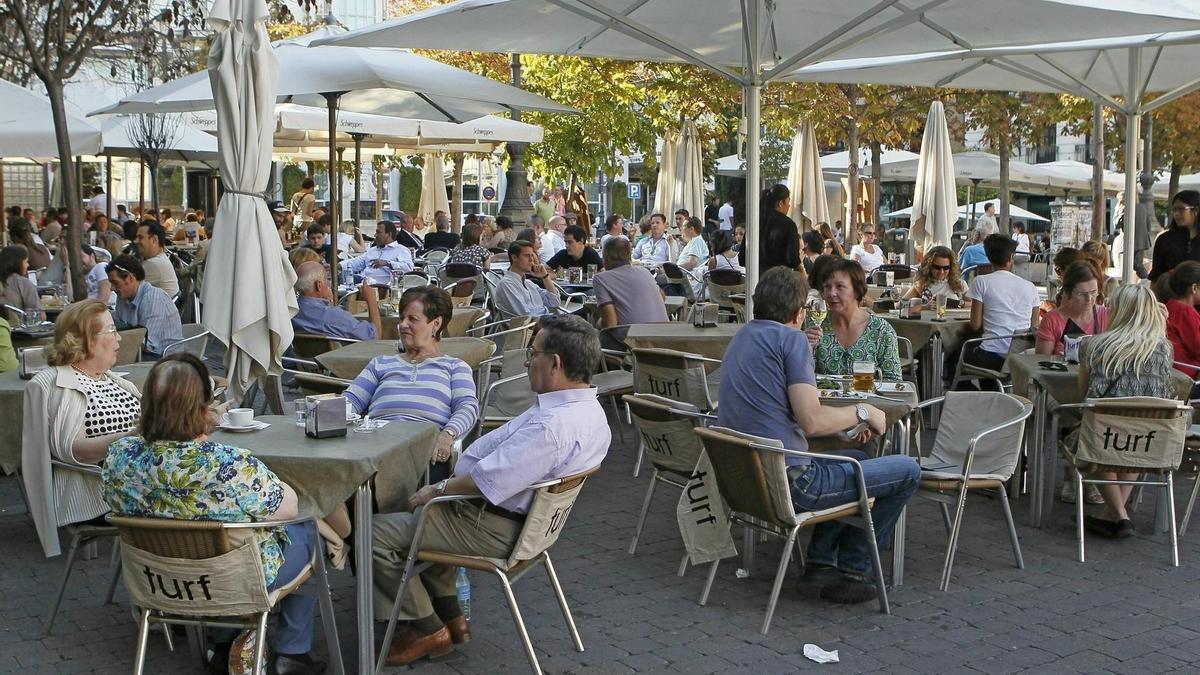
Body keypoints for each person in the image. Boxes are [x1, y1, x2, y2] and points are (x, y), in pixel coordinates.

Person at [372, 314, 609, 666]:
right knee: (423, 522)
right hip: (527, 526)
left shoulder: (553, 427)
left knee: (371, 535)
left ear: (555, 363)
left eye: (533, 353)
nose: (527, 361)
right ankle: (453, 619)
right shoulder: (591, 411)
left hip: (492, 526)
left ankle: (426, 627)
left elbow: (486, 481)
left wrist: (436, 490)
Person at [101, 354, 326, 675]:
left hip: (158, 580)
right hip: (232, 582)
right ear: (203, 408)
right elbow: (288, 506)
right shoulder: (229, 464)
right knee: (305, 527)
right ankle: (292, 652)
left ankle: (224, 643)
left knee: (215, 538)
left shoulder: (120, 457)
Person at [718, 267, 918, 604]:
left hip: (747, 482)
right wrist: (863, 411)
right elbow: (811, 421)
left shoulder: (743, 335)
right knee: (908, 470)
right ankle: (856, 566)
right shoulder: (792, 339)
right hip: (792, 485)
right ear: (798, 312)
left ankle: (821, 564)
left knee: (855, 459)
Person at [22, 300, 141, 558]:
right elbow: (73, 451)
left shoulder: (113, 379)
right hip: (101, 494)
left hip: (137, 482)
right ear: (86, 340)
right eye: (111, 330)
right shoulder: (56, 384)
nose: (119, 337)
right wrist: (131, 436)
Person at [1074, 284, 1176, 539]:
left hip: (1101, 437)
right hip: (1148, 440)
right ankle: (1116, 513)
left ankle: (1118, 515)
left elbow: (1083, 396)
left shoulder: (1094, 345)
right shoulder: (1163, 349)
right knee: (1135, 432)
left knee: (1094, 434)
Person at [344, 286, 478, 473]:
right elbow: (351, 400)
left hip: (423, 450)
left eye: (412, 319)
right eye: (401, 318)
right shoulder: (380, 363)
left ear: (436, 324)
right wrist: (327, 413)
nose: (402, 325)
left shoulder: (454, 367)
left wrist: (448, 434)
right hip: (376, 446)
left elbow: (467, 407)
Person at [808, 259, 902, 381]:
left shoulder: (881, 331)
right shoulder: (815, 326)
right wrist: (804, 347)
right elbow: (801, 378)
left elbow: (894, 382)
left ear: (857, 291)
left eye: (839, 286)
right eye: (827, 287)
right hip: (823, 399)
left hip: (869, 399)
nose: (831, 293)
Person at [963, 234, 1040, 378]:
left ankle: (975, 393)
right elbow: (1035, 326)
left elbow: (975, 325)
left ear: (988, 256)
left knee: (956, 352)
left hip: (991, 356)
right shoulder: (1030, 287)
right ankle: (994, 391)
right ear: (1011, 258)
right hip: (1019, 359)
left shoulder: (982, 282)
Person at [107, 255, 183, 359]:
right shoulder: (123, 296)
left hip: (165, 358)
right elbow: (119, 324)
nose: (112, 288)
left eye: (115, 282)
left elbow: (147, 345)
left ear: (130, 278)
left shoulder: (153, 298)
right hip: (142, 352)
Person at [292, 261, 380, 341]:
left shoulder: (290, 311)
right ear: (319, 285)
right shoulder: (334, 316)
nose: (328, 284)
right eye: (326, 280)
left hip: (298, 358)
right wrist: (371, 300)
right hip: (341, 357)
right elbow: (374, 336)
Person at [1035, 261, 1107, 356]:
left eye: (1093, 292)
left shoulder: (1106, 316)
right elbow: (1041, 362)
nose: (1089, 299)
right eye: (1082, 294)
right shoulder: (1052, 320)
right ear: (1068, 292)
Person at [594, 238, 668, 330]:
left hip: (633, 339)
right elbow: (662, 297)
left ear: (606, 258)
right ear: (629, 256)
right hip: (664, 335)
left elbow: (610, 323)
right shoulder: (644, 271)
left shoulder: (601, 279)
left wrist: (598, 323)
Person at [1155, 260, 1200, 381]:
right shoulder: (1186, 312)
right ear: (1194, 288)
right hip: (1187, 378)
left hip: (1173, 372)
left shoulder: (1171, 305)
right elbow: (1197, 348)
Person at [495, 240, 562, 317]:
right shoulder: (507, 284)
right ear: (514, 258)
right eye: (527, 256)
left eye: (532, 255)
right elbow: (525, 317)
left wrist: (545, 277)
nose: (531, 260)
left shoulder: (528, 283)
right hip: (535, 326)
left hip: (546, 321)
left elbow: (554, 303)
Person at [1150, 189, 1200, 281]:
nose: (1176, 214)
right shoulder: (1164, 240)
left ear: (1195, 210)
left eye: (1181, 209)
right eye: (1174, 209)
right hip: (1170, 293)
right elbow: (1156, 276)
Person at [343, 221, 415, 283]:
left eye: (378, 232)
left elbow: (408, 269)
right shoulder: (373, 250)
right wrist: (338, 266)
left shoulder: (401, 250)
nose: (375, 235)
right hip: (362, 281)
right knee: (340, 276)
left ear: (389, 234)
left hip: (381, 286)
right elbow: (357, 262)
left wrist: (387, 263)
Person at [759, 184, 801, 272]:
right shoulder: (788, 225)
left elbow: (742, 258)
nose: (789, 206)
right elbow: (792, 260)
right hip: (779, 279)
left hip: (755, 278)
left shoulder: (756, 222)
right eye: (788, 201)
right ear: (781, 203)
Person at [134, 221, 180, 297]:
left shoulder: (153, 264)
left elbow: (129, 291)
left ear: (154, 240)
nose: (135, 241)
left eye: (140, 237)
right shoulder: (161, 258)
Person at [0, 245, 42, 323]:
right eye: (26, 262)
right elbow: (39, 315)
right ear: (18, 263)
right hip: (18, 332)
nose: (28, 265)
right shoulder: (23, 283)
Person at [1116, 191, 1153, 278]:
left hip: (1129, 241)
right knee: (1137, 264)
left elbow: (1117, 224)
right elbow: (1148, 225)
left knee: (1132, 265)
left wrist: (1117, 210)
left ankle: (1145, 281)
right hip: (1141, 241)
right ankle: (1145, 280)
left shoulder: (1125, 208)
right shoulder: (1143, 208)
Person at [81, 245, 115, 309]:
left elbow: (104, 298)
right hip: (88, 309)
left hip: (102, 310)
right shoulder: (82, 276)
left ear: (92, 256)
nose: (78, 261)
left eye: (81, 256)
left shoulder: (100, 267)